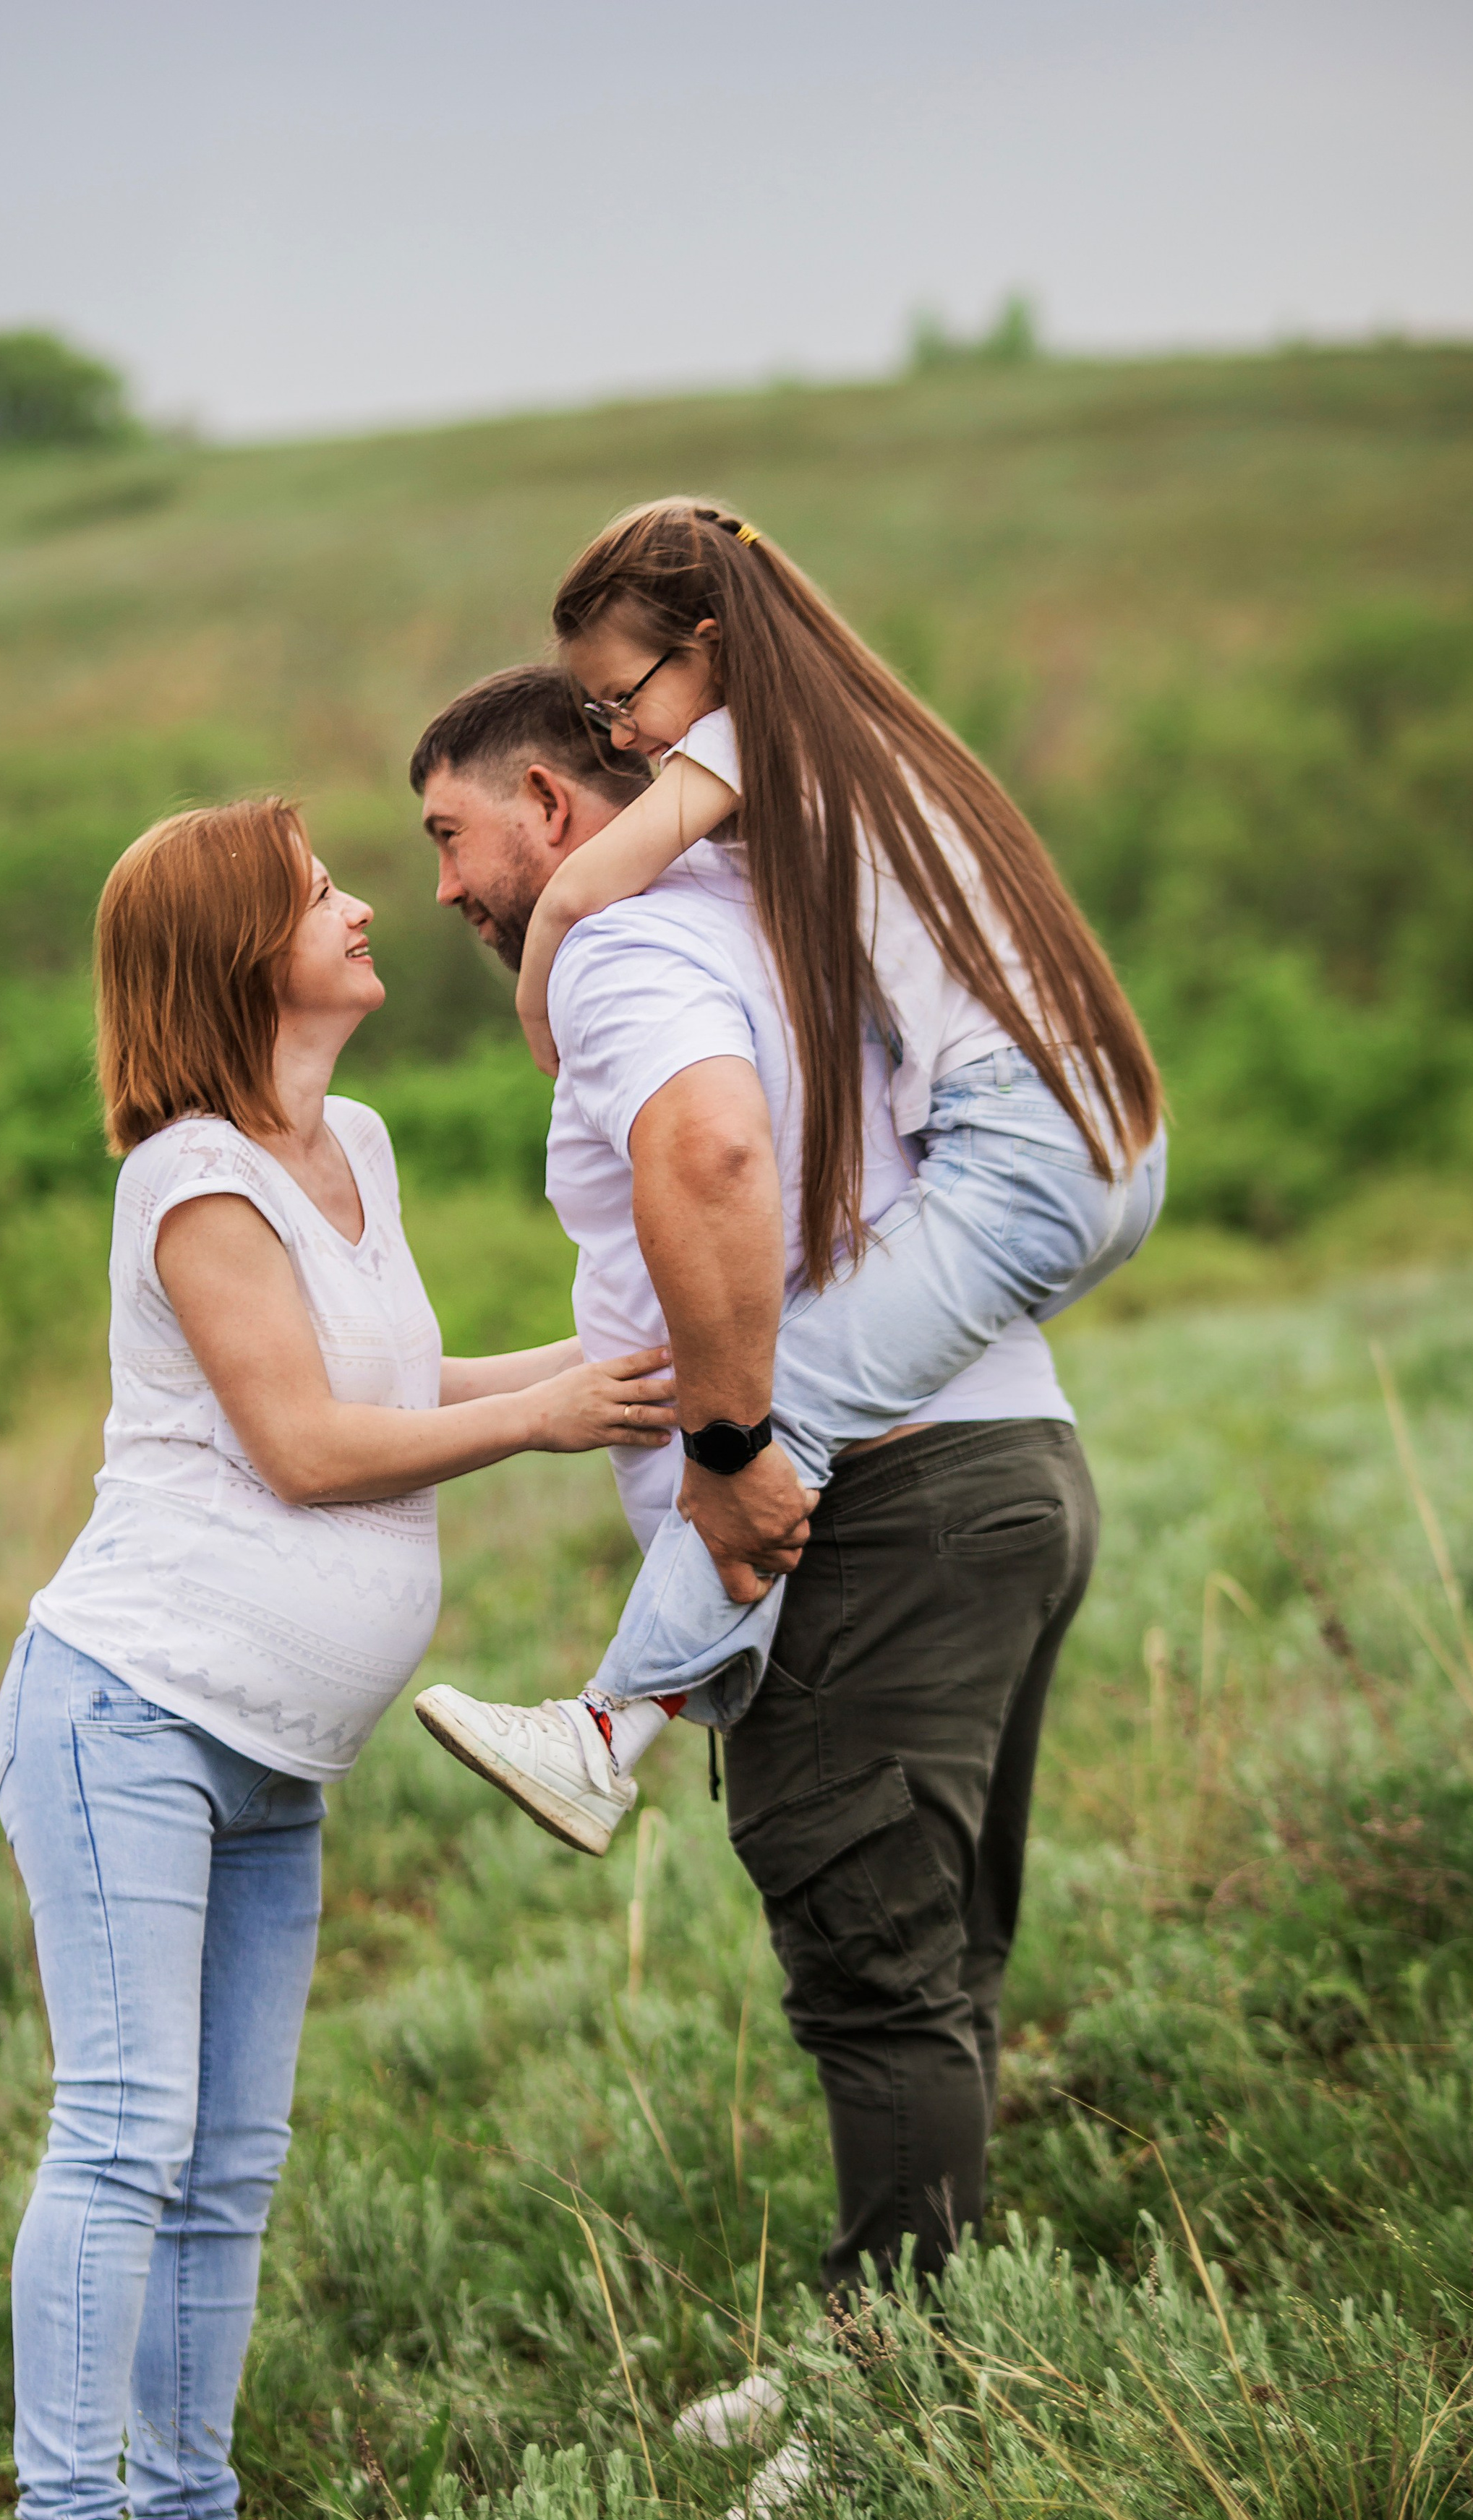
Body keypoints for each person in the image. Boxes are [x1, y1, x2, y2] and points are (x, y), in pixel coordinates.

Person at [0, 797, 673, 2520]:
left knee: (232, 2165)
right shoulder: (190, 1181)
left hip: (276, 1755)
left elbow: (391, 1374)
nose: (367, 905)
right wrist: (544, 1420)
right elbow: (297, 1443)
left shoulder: (347, 1145)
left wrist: (590, 1365)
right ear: (236, 955)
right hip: (130, 1713)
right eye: (319, 892)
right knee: (124, 2134)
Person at [409, 659, 1104, 2491]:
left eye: (448, 836)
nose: (442, 886)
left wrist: (726, 1450)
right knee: (936, 1960)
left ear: (554, 809)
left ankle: (897, 2420)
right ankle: (901, 2342)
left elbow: (706, 1146)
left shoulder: (631, 952)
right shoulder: (782, 915)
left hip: (863, 1514)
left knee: (874, 1977)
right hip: (1003, 1465)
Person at [417, 501, 1163, 1855]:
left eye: (623, 697)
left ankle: (602, 1732)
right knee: (802, 1369)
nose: (623, 738)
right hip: (1088, 1134)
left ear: (708, 645)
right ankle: (634, 1713)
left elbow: (590, 887)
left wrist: (540, 994)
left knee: (762, 1409)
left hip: (1026, 1149)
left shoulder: (756, 744)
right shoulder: (853, 746)